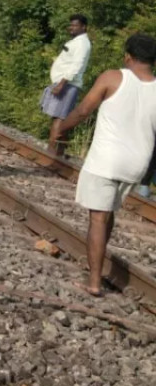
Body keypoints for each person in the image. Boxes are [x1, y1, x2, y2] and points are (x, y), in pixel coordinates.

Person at [57, 33, 156, 296]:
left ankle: (94, 282)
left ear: (128, 56)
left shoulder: (113, 77)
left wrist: (60, 128)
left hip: (106, 160)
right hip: (137, 165)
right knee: (108, 212)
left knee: (98, 218)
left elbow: (83, 111)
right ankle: (98, 270)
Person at [41, 14, 92, 156]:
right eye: (71, 25)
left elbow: (77, 65)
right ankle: (59, 152)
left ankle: (51, 151)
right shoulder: (77, 42)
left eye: (75, 25)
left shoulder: (82, 43)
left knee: (59, 117)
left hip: (68, 84)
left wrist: (62, 83)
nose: (72, 28)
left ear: (83, 27)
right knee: (59, 116)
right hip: (64, 83)